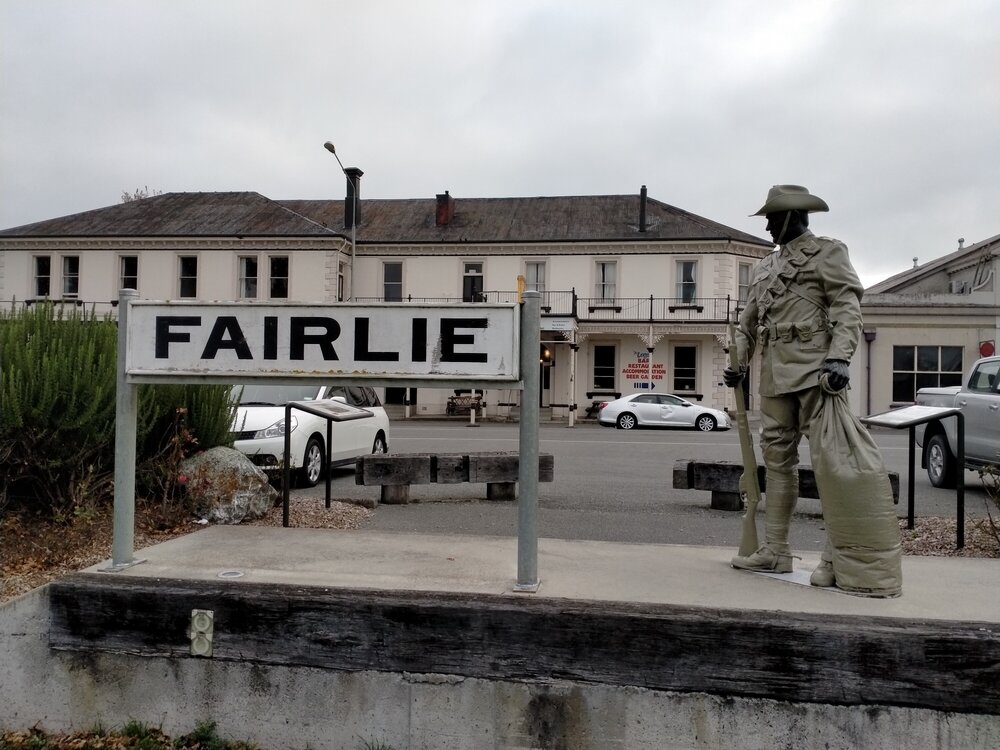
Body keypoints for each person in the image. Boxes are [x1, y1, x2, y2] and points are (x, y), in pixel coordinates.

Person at [723, 185, 862, 588]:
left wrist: (840, 356)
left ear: (793, 217)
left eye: (772, 217)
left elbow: (847, 306)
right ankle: (776, 552)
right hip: (775, 375)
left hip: (818, 370)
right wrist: (740, 362)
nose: (766, 226)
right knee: (778, 462)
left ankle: (833, 559)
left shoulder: (828, 252)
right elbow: (748, 324)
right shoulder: (766, 268)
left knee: (828, 464)